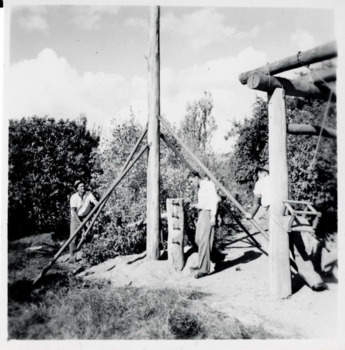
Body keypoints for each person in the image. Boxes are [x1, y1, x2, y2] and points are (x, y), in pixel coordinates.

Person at [245, 164, 328, 292]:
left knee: (279, 248)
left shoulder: (260, 182)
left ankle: (284, 283)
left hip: (272, 213)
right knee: (298, 247)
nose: (257, 175)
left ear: (264, 173)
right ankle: (315, 281)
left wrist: (250, 214)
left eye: (259, 173)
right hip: (288, 211)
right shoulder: (282, 178)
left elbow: (256, 204)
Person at [187, 171, 221, 279]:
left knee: (204, 241)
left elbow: (214, 200)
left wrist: (213, 216)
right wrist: (195, 206)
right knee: (198, 240)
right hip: (201, 213)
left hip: (208, 213)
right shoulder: (201, 188)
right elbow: (203, 202)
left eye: (191, 181)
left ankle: (203, 269)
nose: (191, 184)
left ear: (196, 177)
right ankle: (217, 257)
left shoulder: (208, 184)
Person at [69, 180, 98, 263]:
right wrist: (81, 224)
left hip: (86, 217)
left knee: (88, 234)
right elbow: (74, 211)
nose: (83, 187)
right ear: (77, 188)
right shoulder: (73, 197)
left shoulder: (89, 194)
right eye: (81, 186)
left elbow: (95, 201)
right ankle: (72, 257)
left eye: (83, 185)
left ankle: (88, 254)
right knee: (73, 236)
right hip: (75, 217)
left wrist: (98, 204)